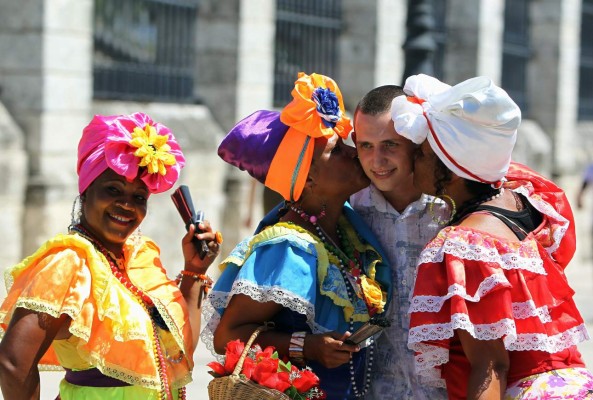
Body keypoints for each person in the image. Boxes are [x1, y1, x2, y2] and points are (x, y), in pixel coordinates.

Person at [392, 74, 593, 399]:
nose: (412, 161)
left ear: (451, 166)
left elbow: (491, 366)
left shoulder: (466, 243)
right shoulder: (525, 200)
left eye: (422, 153)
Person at [0, 112, 222, 400]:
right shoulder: (69, 263)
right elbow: (12, 362)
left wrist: (194, 270)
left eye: (138, 197)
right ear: (86, 191)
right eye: (113, 190)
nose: (127, 205)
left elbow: (177, 354)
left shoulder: (141, 258)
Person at [201, 72, 392, 399]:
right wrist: (309, 346)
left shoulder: (347, 232)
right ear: (307, 179)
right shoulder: (288, 248)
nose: (352, 153)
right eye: (335, 150)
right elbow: (228, 335)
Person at [349, 85, 448, 399]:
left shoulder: (451, 208)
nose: (377, 159)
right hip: (376, 390)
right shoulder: (349, 212)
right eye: (366, 145)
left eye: (390, 144)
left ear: (415, 142)